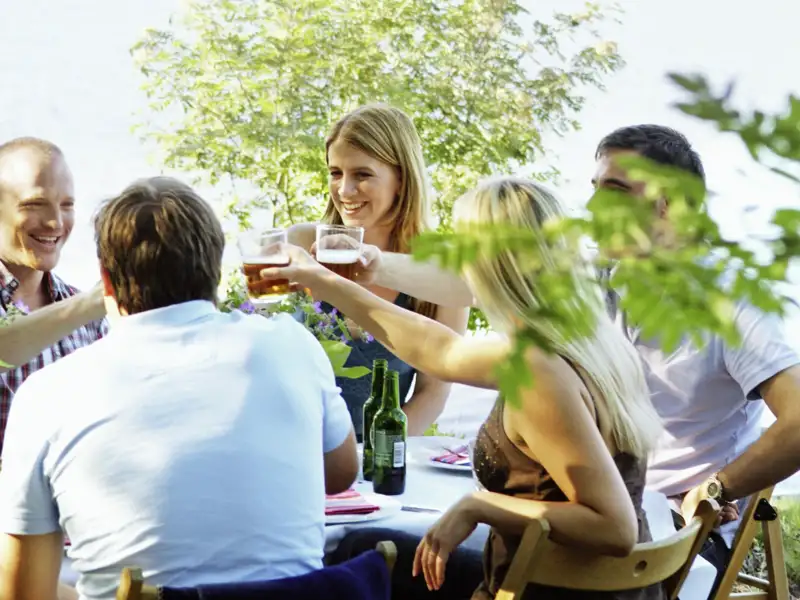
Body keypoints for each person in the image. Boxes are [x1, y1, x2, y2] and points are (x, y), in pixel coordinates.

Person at [332, 125, 800, 595]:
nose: (593, 207)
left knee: (367, 550)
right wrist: (368, 265)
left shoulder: (733, 306)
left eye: (615, 191)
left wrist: (718, 487)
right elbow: (486, 280)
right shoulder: (598, 281)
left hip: (667, 531)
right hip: (587, 508)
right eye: (594, 188)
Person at [266, 176, 666, 600]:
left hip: (554, 587)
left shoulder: (537, 371)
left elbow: (614, 527)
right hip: (611, 586)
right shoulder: (588, 339)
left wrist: (480, 505)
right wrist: (347, 277)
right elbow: (437, 348)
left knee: (351, 558)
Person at [0, 177, 357, 600]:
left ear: (107, 284)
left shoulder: (47, 394)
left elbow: (24, 594)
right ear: (216, 271)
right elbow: (341, 473)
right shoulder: (291, 343)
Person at [288, 104, 468, 439]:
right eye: (336, 173)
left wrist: (371, 458)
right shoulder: (302, 242)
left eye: (362, 174)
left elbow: (433, 394)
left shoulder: (440, 270)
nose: (344, 191)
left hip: (379, 463)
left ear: (401, 179)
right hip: (294, 447)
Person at [0, 137, 106, 451]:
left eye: (66, 205)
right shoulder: (88, 306)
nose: (55, 223)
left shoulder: (90, 316)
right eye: (34, 204)